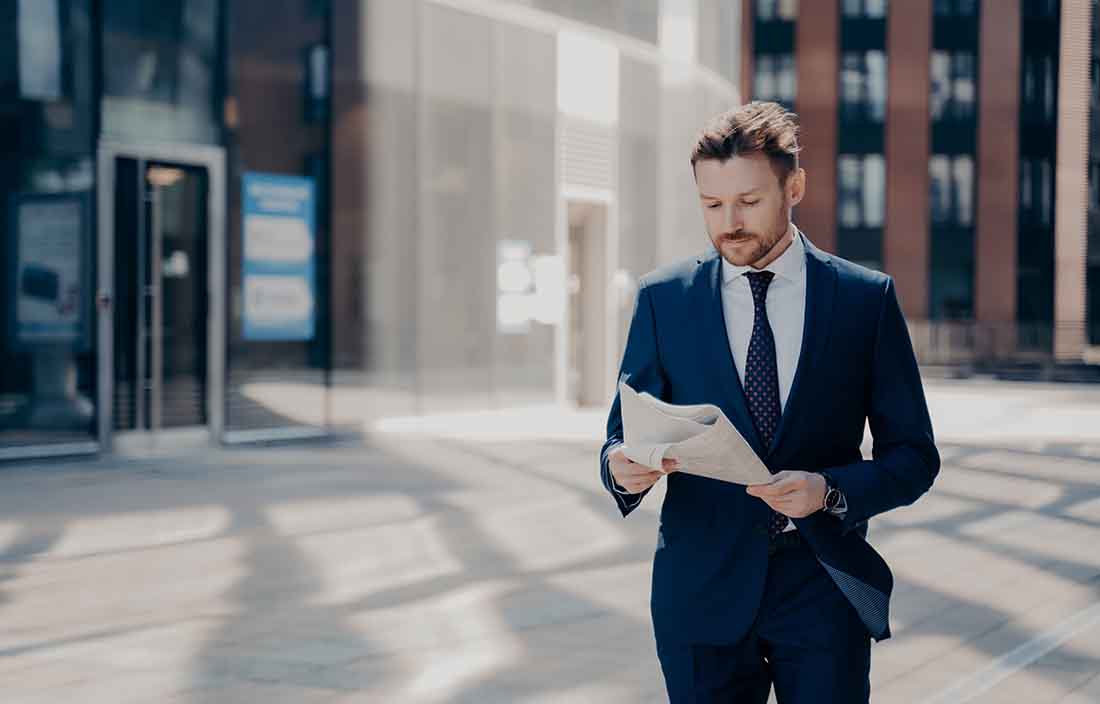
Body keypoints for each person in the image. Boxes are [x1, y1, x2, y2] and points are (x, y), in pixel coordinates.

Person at [599, 101, 940, 703]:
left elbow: (914, 455)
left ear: (795, 187)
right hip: (699, 596)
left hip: (822, 588)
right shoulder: (664, 300)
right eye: (711, 204)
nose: (729, 222)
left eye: (749, 202)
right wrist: (623, 469)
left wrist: (830, 490)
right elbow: (620, 436)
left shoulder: (865, 301)